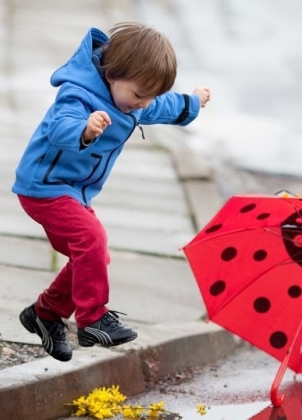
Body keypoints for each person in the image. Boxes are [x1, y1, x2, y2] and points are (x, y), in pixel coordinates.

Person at [12, 22, 211, 361]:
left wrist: (193, 102)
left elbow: (164, 106)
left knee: (94, 257)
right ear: (113, 74)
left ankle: (45, 313)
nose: (142, 105)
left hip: (74, 192)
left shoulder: (136, 99)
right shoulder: (79, 93)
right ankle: (92, 318)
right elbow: (60, 125)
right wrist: (85, 129)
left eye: (148, 97)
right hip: (44, 186)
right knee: (91, 238)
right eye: (137, 96)